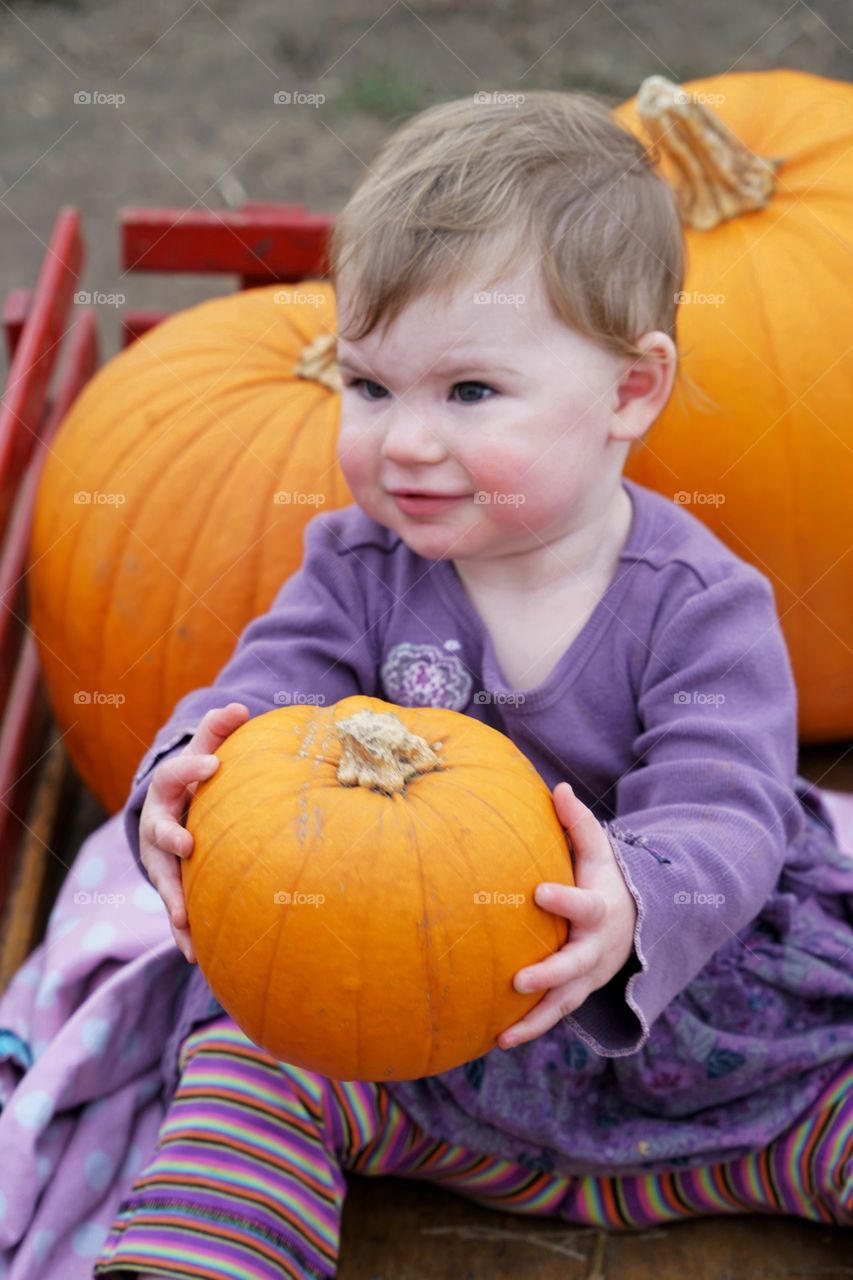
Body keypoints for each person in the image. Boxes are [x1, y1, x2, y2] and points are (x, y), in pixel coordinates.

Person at [94, 90, 853, 1278]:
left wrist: (632, 905)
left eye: (469, 393)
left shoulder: (699, 601)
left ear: (629, 391)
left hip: (691, 1039)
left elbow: (728, 802)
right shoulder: (355, 568)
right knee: (248, 1046)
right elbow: (261, 694)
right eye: (369, 386)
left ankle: (770, 1151)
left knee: (832, 1068)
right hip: (416, 1036)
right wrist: (185, 773)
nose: (403, 441)